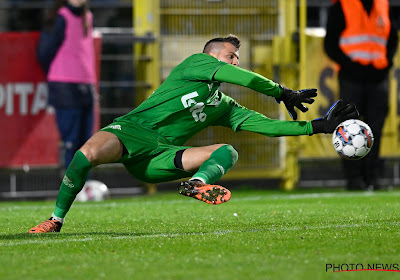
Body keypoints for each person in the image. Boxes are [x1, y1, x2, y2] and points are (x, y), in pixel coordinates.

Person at [28, 35, 358, 233]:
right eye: (231, 56)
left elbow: (269, 128)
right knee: (87, 154)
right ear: (212, 56)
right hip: (131, 131)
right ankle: (55, 220)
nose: (235, 62)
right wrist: (281, 90)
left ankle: (196, 184)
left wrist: (319, 126)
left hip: (160, 158)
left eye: (237, 58)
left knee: (228, 151)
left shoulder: (224, 105)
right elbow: (245, 78)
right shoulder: (195, 63)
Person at [324, 0, 398, 190]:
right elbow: (330, 44)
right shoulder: (342, 6)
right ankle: (354, 179)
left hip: (377, 78)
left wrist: (386, 64)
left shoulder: (383, 5)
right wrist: (351, 67)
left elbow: (391, 39)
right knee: (349, 128)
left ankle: (372, 179)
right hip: (352, 79)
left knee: (375, 129)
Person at [37, 0, 96, 169]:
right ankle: (68, 187)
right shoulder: (60, 17)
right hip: (65, 87)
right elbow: (44, 52)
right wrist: (59, 72)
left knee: (87, 144)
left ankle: (84, 186)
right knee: (70, 141)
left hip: (86, 84)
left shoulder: (88, 16)